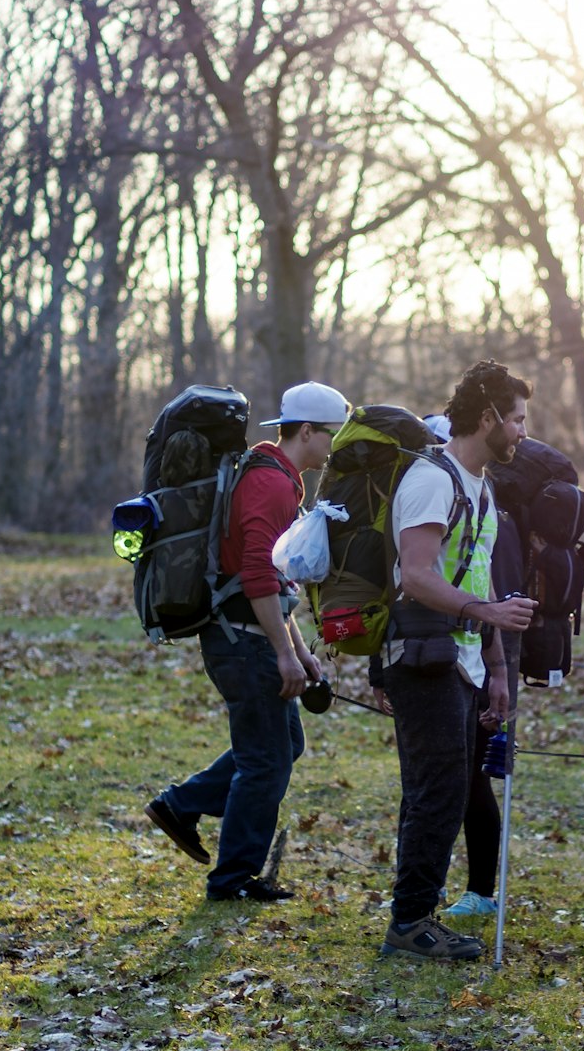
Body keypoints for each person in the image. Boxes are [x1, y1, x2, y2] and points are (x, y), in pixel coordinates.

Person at [145, 381, 348, 901]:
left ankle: (182, 805)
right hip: (244, 642)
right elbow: (257, 576)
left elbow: (278, 584)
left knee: (283, 747)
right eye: (331, 436)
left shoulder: (273, 477)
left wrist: (302, 653)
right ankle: (232, 878)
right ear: (307, 431)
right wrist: (283, 653)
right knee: (266, 762)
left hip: (249, 634)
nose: (334, 447)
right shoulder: (272, 486)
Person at [377, 361, 537, 960]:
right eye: (517, 420)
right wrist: (487, 615)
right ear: (489, 417)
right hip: (422, 654)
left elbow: (478, 576)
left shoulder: (482, 488)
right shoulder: (431, 480)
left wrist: (496, 669)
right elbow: (415, 575)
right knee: (437, 792)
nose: (522, 432)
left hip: (463, 661)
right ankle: (411, 923)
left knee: (441, 789)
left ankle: (412, 916)